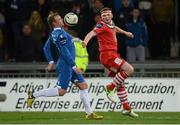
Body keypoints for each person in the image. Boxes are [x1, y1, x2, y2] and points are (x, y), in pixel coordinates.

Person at [27, 12, 103, 120]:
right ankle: (33, 95)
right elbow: (64, 51)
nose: (62, 19)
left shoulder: (55, 33)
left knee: (83, 86)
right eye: (59, 19)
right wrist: (73, 66)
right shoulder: (60, 34)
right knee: (61, 91)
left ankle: (89, 113)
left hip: (68, 63)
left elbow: (46, 48)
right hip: (66, 65)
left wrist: (50, 62)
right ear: (54, 23)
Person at [82, 7, 138, 117]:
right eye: (104, 16)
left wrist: (126, 33)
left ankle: (126, 108)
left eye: (108, 15)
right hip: (108, 55)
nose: (106, 17)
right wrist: (85, 42)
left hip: (112, 55)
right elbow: (91, 33)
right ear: (101, 18)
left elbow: (114, 28)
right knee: (129, 69)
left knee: (120, 82)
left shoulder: (111, 23)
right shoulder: (101, 25)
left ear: (111, 15)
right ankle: (110, 87)